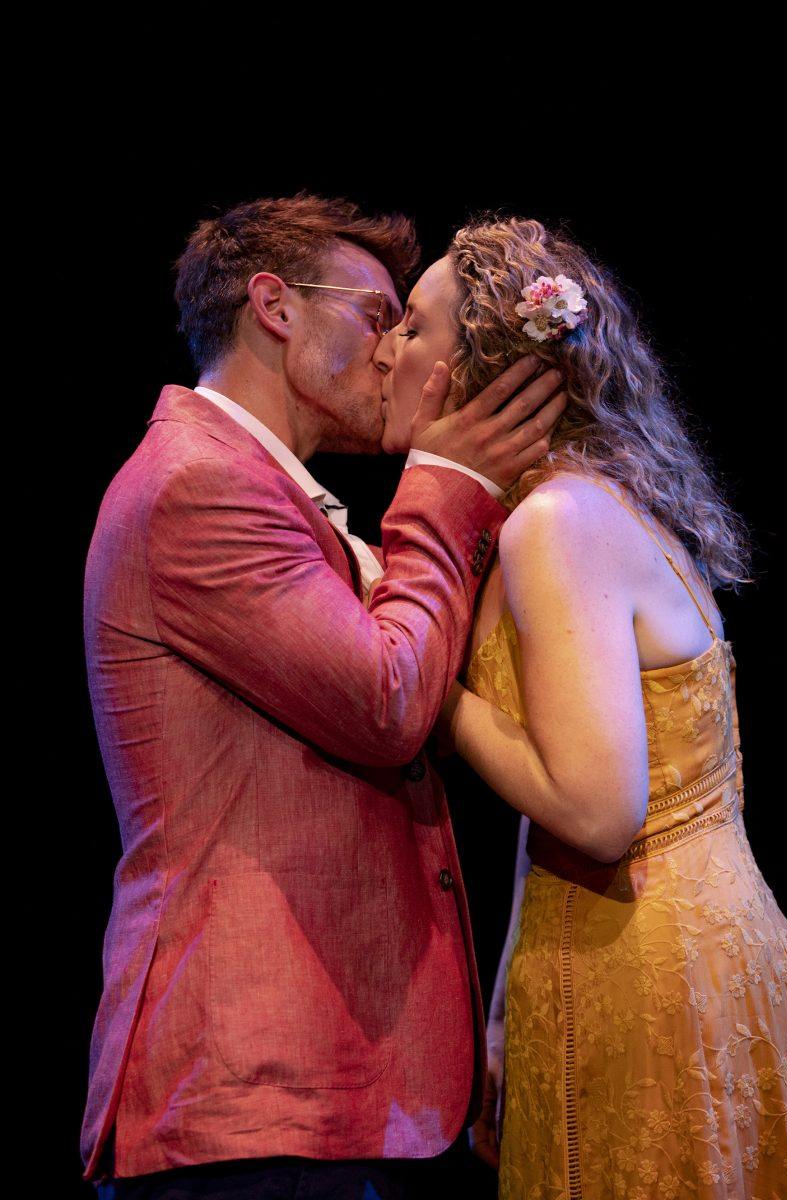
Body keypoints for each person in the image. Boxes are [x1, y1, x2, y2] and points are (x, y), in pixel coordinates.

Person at [82, 194, 568, 1199]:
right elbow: (386, 705)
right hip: (250, 1083)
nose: (391, 353)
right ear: (275, 306)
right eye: (375, 315)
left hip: (323, 1085)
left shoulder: (267, 489)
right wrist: (441, 485)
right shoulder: (198, 484)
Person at [374, 215, 787, 1198]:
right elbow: (567, 787)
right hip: (667, 946)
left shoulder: (556, 524)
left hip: (645, 968)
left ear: (476, 370)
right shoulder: (589, 501)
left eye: (412, 327)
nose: (388, 351)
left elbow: (597, 814)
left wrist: (430, 692)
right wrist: (499, 1011)